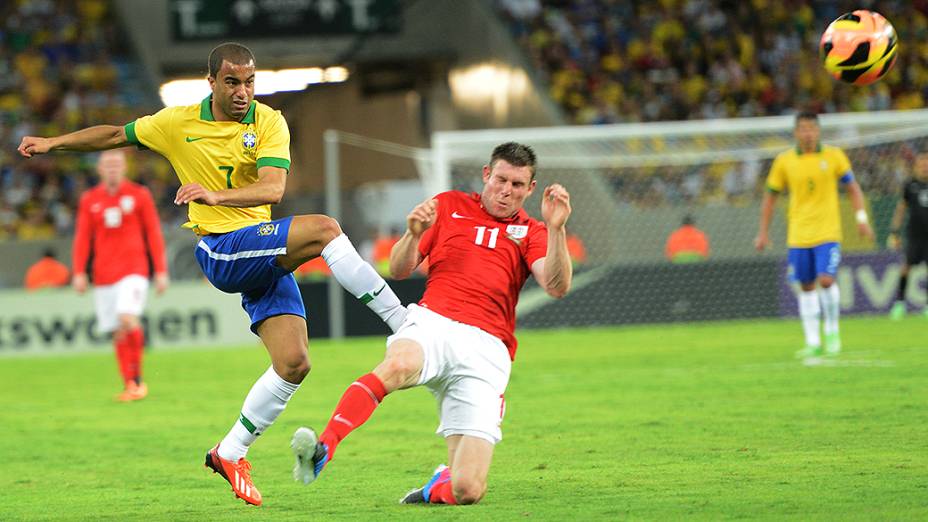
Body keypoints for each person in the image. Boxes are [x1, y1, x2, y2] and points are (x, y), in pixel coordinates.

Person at [17, 42, 407, 506]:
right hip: (221, 250)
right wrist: (52, 144)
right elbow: (112, 136)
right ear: (212, 83)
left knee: (295, 362)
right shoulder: (176, 123)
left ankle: (230, 450)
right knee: (324, 229)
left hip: (259, 245)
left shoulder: (268, 121)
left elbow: (274, 186)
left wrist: (219, 196)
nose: (243, 92)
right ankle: (404, 323)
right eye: (232, 82)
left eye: (249, 82)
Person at [290, 142, 573, 506]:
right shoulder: (449, 205)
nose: (506, 191)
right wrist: (411, 233)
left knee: (467, 490)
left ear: (530, 189)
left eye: (517, 185)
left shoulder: (533, 232)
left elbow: (556, 286)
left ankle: (437, 485)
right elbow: (399, 268)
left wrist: (557, 229)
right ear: (487, 175)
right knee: (399, 365)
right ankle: (323, 448)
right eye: (501, 180)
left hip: (487, 350)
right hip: (433, 323)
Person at [754, 112, 874, 359]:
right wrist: (763, 233)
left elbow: (852, 188)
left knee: (826, 280)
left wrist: (861, 219)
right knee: (806, 287)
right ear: (796, 133)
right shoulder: (784, 161)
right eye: (803, 128)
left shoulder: (834, 156)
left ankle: (831, 330)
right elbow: (770, 197)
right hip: (798, 234)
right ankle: (813, 341)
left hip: (828, 232)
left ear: (818, 131)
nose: (807, 133)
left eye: (811, 128)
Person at [71, 149, 168, 401]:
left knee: (127, 319)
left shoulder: (139, 195)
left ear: (125, 168)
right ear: (100, 169)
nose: (112, 168)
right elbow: (83, 238)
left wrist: (160, 270)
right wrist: (79, 271)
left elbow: (153, 233)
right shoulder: (90, 199)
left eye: (117, 164)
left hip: (133, 270)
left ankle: (137, 381)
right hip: (103, 274)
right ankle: (130, 385)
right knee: (117, 331)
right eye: (108, 164)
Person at [887, 151, 928, 320]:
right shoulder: (909, 185)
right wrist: (894, 232)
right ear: (916, 166)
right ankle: (900, 303)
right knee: (906, 268)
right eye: (922, 164)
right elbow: (901, 209)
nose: (925, 167)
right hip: (915, 235)